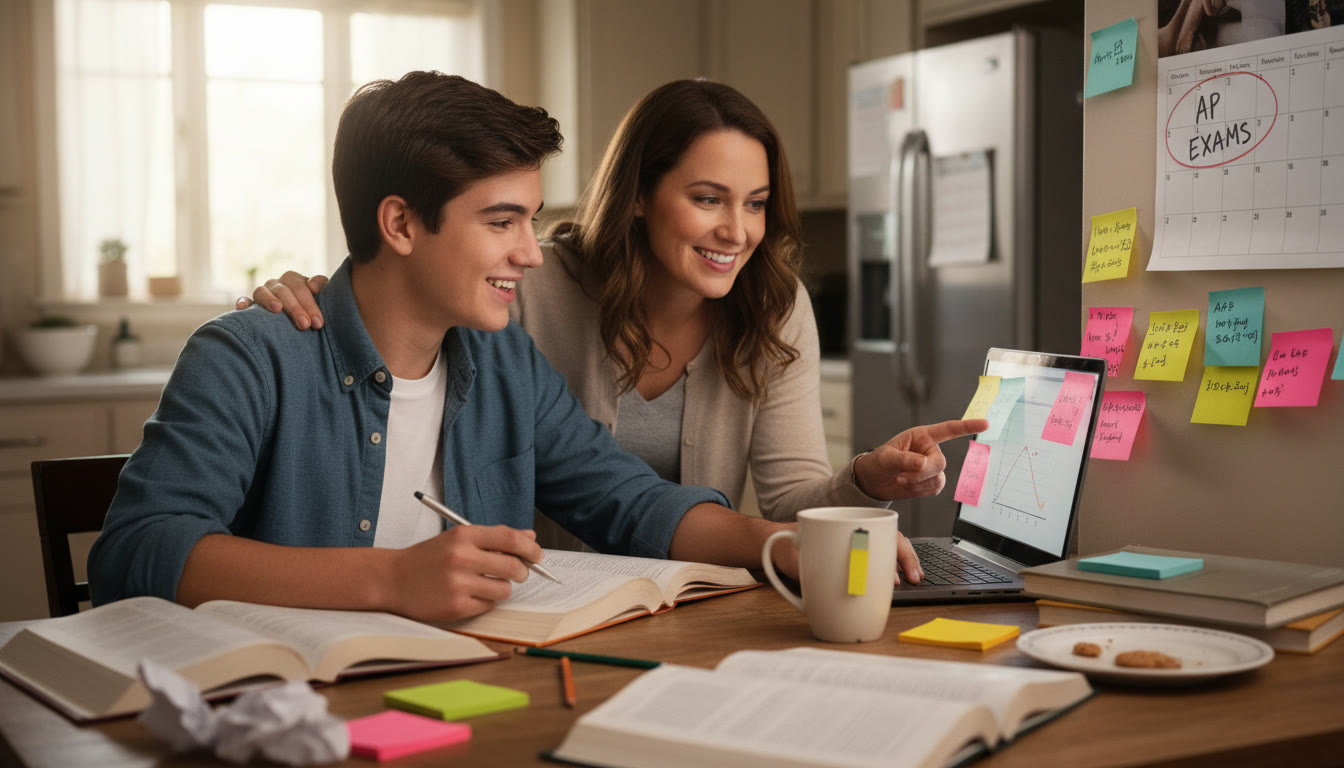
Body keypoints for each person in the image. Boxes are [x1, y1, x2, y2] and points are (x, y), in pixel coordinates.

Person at [89, 72, 881, 623]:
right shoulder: (249, 358)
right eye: (502, 223)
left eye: (531, 222)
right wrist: (393, 579)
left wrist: (800, 546)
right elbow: (138, 550)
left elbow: (632, 501)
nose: (531, 254)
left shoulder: (502, 363)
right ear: (400, 223)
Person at [245, 79, 984, 565]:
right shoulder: (509, 310)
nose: (737, 230)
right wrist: (307, 295)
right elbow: (396, 283)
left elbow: (631, 502)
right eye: (707, 198)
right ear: (638, 196)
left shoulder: (509, 364)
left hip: (584, 616)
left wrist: (817, 528)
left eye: (756, 203)